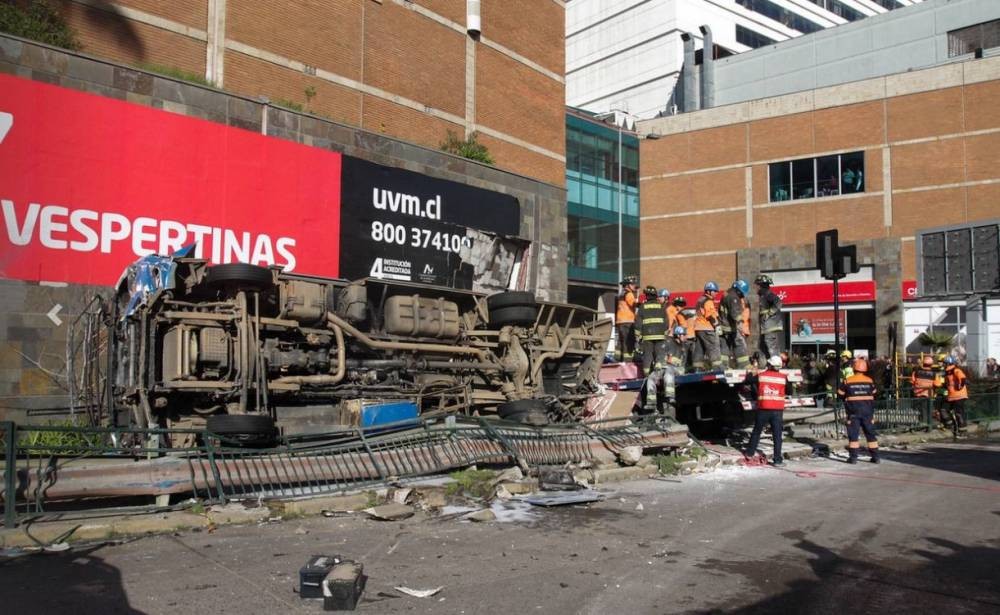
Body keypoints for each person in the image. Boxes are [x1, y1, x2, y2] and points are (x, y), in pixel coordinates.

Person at [745, 355, 787, 466]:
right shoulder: (783, 378)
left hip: (763, 409)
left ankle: (749, 453)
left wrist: (750, 371)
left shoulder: (762, 376)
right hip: (777, 411)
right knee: (777, 436)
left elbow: (748, 380)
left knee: (757, 432)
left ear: (769, 365)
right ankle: (777, 460)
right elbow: (790, 390)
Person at [838, 357, 880, 464]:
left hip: (853, 412)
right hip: (868, 412)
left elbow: (840, 394)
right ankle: (876, 457)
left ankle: (853, 458)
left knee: (853, 436)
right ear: (865, 369)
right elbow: (875, 393)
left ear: (853, 369)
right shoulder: (869, 381)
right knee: (870, 435)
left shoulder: (848, 381)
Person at [635, 286, 668, 377]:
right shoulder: (661, 306)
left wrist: (637, 335)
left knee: (648, 355)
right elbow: (666, 321)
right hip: (660, 335)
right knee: (659, 352)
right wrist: (665, 332)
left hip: (647, 336)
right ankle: (658, 366)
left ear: (647, 296)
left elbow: (638, 322)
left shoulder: (643, 307)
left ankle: (646, 373)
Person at [719, 280, 751, 368]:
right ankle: (744, 365)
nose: (742, 296)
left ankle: (724, 366)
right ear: (738, 290)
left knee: (725, 347)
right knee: (739, 343)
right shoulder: (734, 297)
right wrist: (740, 325)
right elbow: (735, 313)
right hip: (730, 326)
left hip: (723, 326)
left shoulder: (726, 294)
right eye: (742, 293)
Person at [692, 282, 722, 371]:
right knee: (714, 346)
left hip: (698, 328)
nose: (716, 293)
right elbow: (710, 315)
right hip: (707, 328)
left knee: (699, 348)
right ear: (708, 291)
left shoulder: (700, 300)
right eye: (715, 291)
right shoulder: (708, 301)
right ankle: (717, 367)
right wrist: (716, 325)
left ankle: (697, 367)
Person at [754, 274, 783, 359]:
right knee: (763, 346)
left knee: (770, 344)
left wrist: (769, 313)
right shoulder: (763, 296)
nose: (756, 287)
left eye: (757, 285)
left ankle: (776, 362)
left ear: (762, 285)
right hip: (766, 327)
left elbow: (778, 303)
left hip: (770, 326)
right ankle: (767, 363)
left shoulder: (768, 294)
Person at [910, 355, 942, 425]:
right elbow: (938, 384)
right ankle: (926, 425)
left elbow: (912, 382)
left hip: (917, 394)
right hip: (928, 395)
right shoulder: (934, 374)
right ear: (931, 364)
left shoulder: (916, 372)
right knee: (927, 410)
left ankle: (919, 423)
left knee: (919, 410)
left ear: (923, 363)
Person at [615, 276, 638, 362]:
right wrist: (641, 303)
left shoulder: (622, 293)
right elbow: (633, 303)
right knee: (628, 342)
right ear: (628, 285)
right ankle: (628, 361)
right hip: (628, 321)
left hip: (621, 321)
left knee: (621, 342)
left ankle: (618, 359)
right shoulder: (629, 293)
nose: (634, 286)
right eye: (632, 284)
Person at [943, 356, 968, 431]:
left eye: (945, 363)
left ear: (949, 363)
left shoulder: (956, 370)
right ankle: (950, 425)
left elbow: (963, 378)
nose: (943, 365)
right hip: (951, 396)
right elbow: (948, 383)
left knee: (959, 413)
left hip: (959, 396)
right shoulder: (947, 372)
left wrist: (959, 387)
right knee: (944, 410)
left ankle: (962, 430)